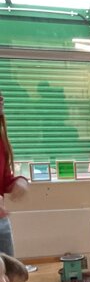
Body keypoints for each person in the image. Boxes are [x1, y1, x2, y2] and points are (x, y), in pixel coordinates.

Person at [0, 91, 30, 256]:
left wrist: (18, 182)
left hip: (1, 222)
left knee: (10, 270)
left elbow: (4, 179)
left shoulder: (1, 140)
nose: (1, 99)